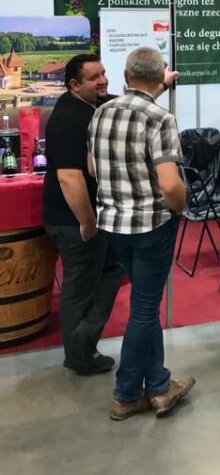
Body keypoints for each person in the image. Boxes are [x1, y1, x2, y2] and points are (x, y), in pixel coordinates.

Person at [89, 47, 194, 421]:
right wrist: (180, 207)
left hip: (113, 224)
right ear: (160, 74)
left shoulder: (102, 112)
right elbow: (170, 184)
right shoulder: (161, 120)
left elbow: (92, 166)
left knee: (143, 307)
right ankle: (126, 394)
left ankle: (160, 386)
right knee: (145, 309)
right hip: (152, 225)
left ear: (125, 76)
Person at [43, 54, 125, 375]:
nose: (103, 80)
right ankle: (79, 354)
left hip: (88, 216)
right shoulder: (68, 119)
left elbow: (123, 99)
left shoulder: (90, 105)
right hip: (73, 221)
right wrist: (87, 221)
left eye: (103, 73)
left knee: (112, 270)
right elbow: (69, 177)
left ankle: (83, 342)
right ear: (74, 85)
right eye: (94, 77)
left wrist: (157, 84)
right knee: (80, 286)